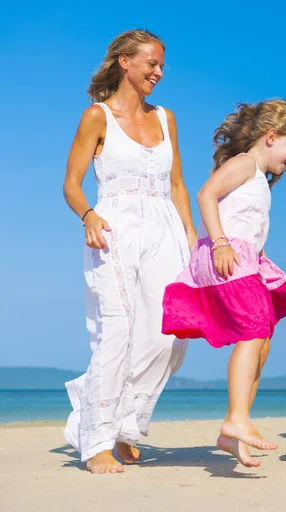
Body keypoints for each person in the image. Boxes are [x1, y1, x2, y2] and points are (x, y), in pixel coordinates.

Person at [62, 29, 197, 474]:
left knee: (169, 332)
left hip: (166, 228)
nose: (158, 72)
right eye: (151, 63)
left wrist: (193, 240)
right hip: (115, 227)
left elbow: (177, 184)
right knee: (117, 330)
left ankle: (125, 422)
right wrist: (89, 217)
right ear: (125, 62)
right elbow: (72, 184)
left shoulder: (166, 118)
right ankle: (98, 438)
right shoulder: (96, 117)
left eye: (162, 65)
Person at [162, 99, 286, 468]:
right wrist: (220, 242)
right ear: (271, 136)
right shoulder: (245, 164)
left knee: (262, 339)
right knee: (253, 330)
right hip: (224, 254)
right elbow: (206, 194)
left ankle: (234, 431)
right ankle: (236, 418)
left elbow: (245, 222)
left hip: (244, 258)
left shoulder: (259, 178)